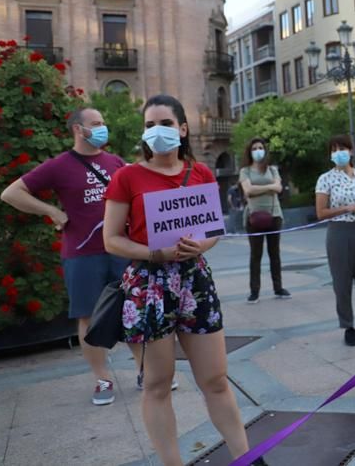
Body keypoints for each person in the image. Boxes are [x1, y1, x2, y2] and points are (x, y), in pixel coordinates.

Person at [103, 95, 257, 466]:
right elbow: (111, 239)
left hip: (194, 282)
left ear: (183, 129)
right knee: (157, 384)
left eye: (166, 124)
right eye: (150, 125)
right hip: (149, 286)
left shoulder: (201, 172)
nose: (158, 131)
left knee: (216, 379)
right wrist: (155, 253)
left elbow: (214, 228)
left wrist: (199, 244)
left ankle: (248, 459)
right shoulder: (127, 177)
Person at [0, 107, 134, 406]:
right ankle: (102, 379)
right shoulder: (59, 165)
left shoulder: (115, 162)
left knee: (132, 310)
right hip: (82, 252)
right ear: (78, 129)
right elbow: (11, 193)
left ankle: (145, 370)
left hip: (120, 249)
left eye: (103, 122)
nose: (103, 128)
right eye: (96, 124)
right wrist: (51, 211)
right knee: (88, 315)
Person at [315, 135, 355, 346]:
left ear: (351, 151)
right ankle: (348, 326)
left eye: (342, 148)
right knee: (341, 282)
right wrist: (345, 209)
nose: (339, 153)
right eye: (334, 149)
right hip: (339, 232)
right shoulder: (326, 179)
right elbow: (321, 212)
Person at [239, 138, 289, 303]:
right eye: (254, 148)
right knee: (256, 255)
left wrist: (257, 189)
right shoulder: (245, 171)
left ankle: (278, 287)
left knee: (275, 253)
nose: (258, 150)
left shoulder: (273, 169)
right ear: (250, 151)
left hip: (274, 215)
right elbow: (248, 190)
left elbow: (279, 188)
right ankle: (254, 291)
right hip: (254, 217)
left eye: (260, 147)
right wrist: (269, 187)